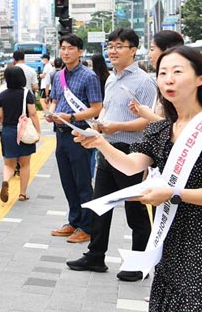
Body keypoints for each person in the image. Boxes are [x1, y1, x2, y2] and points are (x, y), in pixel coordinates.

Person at [74, 45, 202, 310]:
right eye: (163, 72)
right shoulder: (161, 129)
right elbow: (131, 166)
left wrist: (173, 194)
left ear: (201, 78)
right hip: (171, 238)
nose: (168, 78)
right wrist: (100, 143)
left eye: (178, 71)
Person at [66, 28, 157, 282]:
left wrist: (117, 126)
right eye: (110, 46)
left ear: (133, 50)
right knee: (100, 205)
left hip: (131, 154)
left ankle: (139, 263)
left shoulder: (144, 81)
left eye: (119, 46)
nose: (112, 51)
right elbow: (106, 111)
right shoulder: (111, 78)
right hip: (108, 148)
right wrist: (97, 127)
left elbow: (148, 122)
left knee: (135, 211)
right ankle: (95, 255)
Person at [46, 34, 102, 243]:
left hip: (79, 135)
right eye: (63, 48)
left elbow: (96, 108)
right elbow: (54, 100)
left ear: (80, 51)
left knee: (82, 182)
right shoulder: (58, 76)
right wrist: (51, 112)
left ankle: (87, 227)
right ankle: (74, 220)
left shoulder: (89, 76)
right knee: (67, 181)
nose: (66, 52)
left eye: (71, 48)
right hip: (60, 136)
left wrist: (71, 117)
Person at [0, 66, 41, 202]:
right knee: (24, 164)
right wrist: (38, 131)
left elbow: (0, 116)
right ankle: (22, 193)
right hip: (23, 131)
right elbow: (33, 113)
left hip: (8, 131)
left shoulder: (2, 94)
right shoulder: (26, 93)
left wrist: (6, 127)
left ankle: (5, 181)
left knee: (9, 164)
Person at [129, 30, 183, 122]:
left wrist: (149, 115)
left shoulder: (179, 84)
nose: (149, 55)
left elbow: (178, 127)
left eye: (152, 49)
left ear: (167, 50)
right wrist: (143, 112)